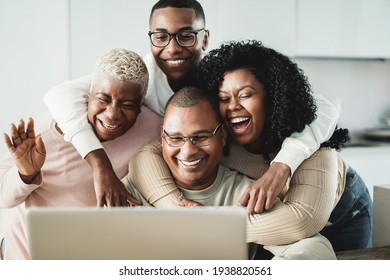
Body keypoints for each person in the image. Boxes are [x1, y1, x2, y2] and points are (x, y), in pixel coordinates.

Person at [43, 0, 340, 211]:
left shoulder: (220, 79)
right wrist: (99, 165)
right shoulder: (139, 81)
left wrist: (281, 167)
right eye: (161, 36)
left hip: (305, 183)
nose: (172, 47)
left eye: (186, 35)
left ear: (205, 38)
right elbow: (59, 95)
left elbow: (326, 108)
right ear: (150, 40)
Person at [129, 40, 373, 252]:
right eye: (224, 98)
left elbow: (300, 221)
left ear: (273, 95)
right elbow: (148, 154)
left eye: (245, 95)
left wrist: (204, 225)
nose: (233, 106)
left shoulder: (315, 148)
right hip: (274, 219)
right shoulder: (224, 133)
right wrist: (175, 210)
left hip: (342, 214)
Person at [122, 86, 337, 260]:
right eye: (176, 138)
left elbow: (313, 247)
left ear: (223, 136)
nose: (187, 151)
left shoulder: (246, 195)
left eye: (201, 136)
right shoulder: (130, 191)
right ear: (162, 138)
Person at [0, 48, 162, 259]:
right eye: (103, 99)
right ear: (87, 97)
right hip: (28, 256)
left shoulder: (154, 130)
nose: (112, 114)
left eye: (127, 105)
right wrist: (26, 174)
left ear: (141, 105)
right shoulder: (47, 131)